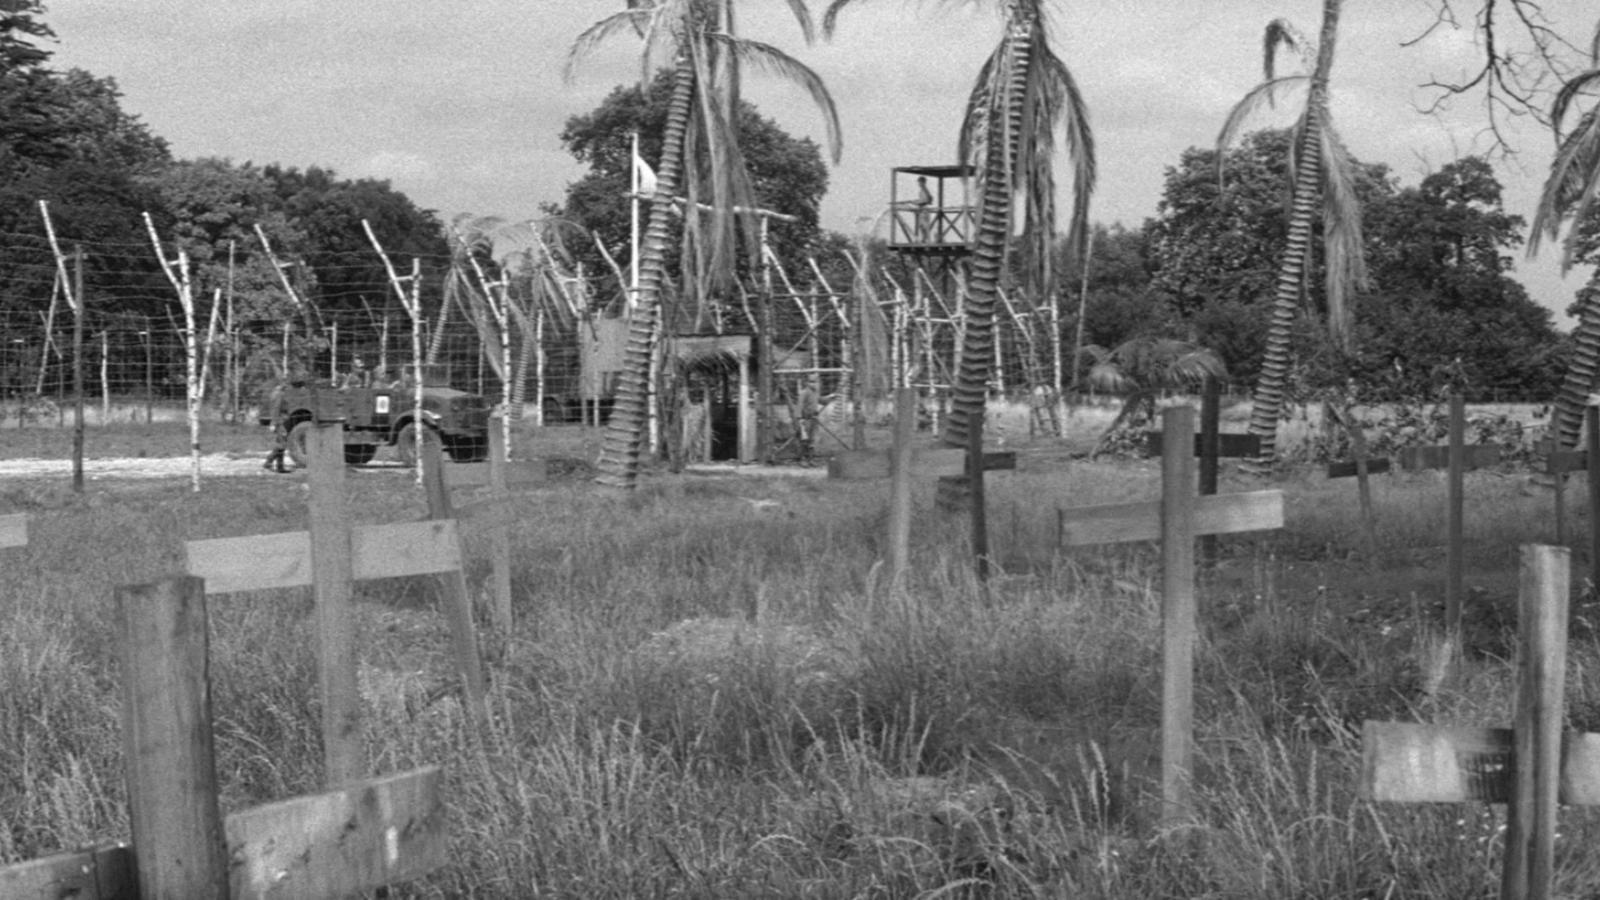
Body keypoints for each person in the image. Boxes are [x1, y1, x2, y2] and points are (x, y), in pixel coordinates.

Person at [262, 381, 290, 473]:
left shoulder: (275, 393)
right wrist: (274, 423)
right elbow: (276, 409)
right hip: (279, 422)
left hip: (279, 421)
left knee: (280, 443)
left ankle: (280, 467)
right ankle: (268, 462)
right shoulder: (280, 395)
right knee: (282, 444)